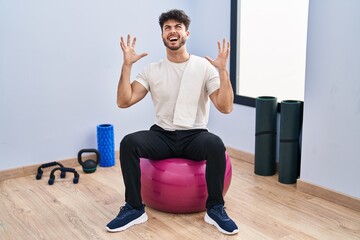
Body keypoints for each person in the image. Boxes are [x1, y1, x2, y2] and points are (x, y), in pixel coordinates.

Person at [106, 9, 239, 235]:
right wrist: (127, 65)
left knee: (215, 143)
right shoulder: (152, 70)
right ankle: (134, 208)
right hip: (163, 135)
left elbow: (225, 107)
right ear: (162, 36)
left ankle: (215, 208)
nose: (172, 31)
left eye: (178, 27)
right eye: (167, 28)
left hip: (195, 135)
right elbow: (123, 101)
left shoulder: (204, 67)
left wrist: (223, 72)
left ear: (186, 34)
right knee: (129, 142)